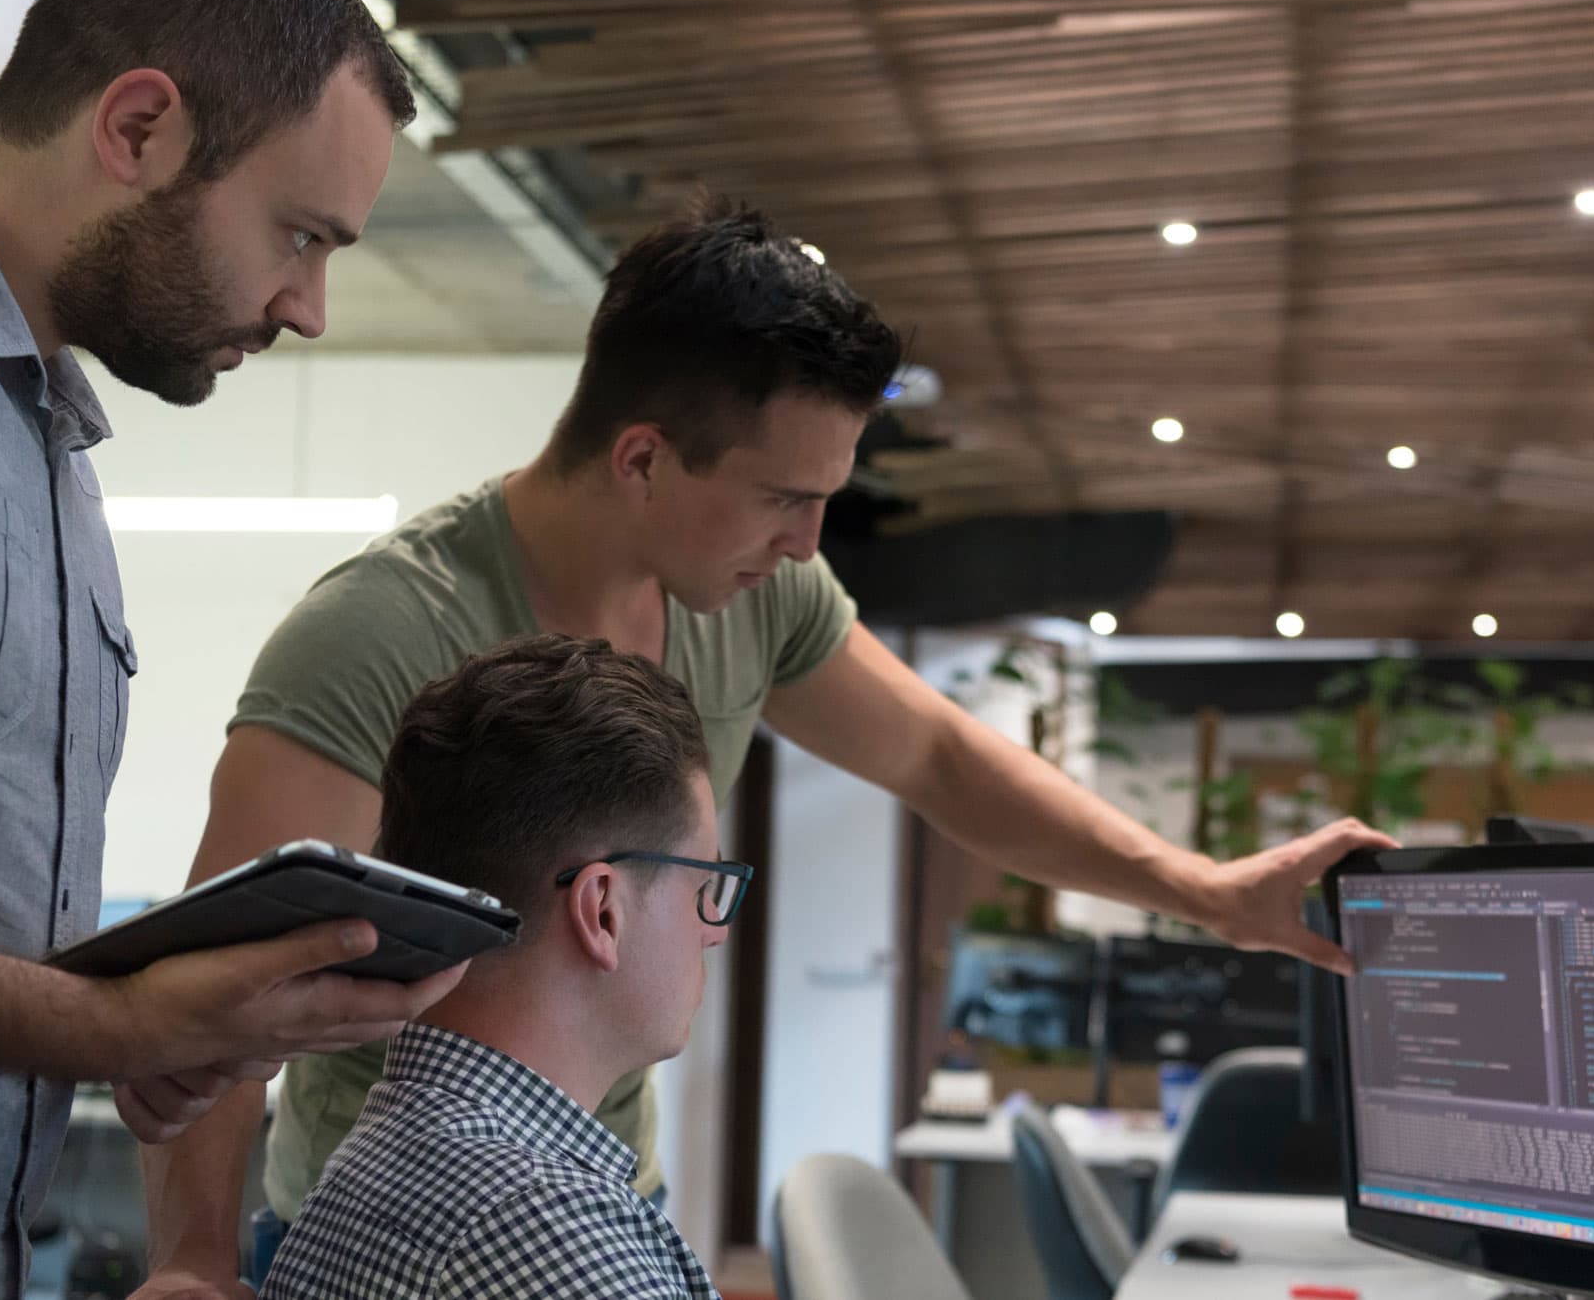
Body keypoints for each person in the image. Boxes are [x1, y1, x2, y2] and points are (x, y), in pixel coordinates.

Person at [136, 196, 1394, 1298]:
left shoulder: (754, 594)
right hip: (410, 1219)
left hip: (593, 1186)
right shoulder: (380, 632)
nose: (807, 544)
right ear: (642, 459)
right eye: (785, 498)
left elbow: (938, 760)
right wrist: (192, 1258)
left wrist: (1208, 892)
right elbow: (227, 976)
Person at [0, 0, 468, 1294]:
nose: (308, 307)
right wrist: (100, 1023)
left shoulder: (49, 445)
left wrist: (156, 1020)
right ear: (137, 128)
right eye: (301, 235)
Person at [261, 635, 731, 1300]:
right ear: (602, 910)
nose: (715, 930)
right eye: (703, 887)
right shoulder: (553, 1236)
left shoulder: (371, 1165)